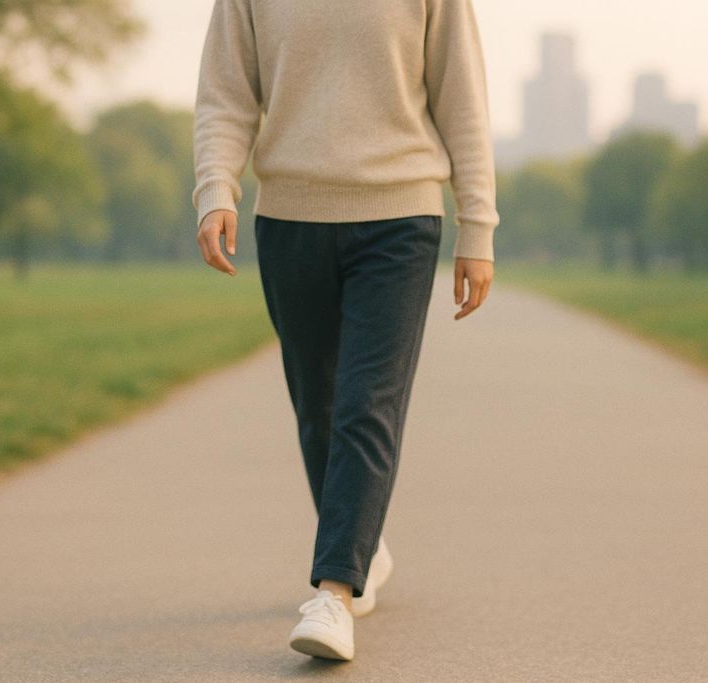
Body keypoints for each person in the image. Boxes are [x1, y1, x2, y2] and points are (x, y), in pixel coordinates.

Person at [191, 0, 499, 662]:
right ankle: (361, 541)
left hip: (400, 217)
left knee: (367, 404)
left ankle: (334, 591)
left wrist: (478, 224)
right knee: (319, 406)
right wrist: (216, 189)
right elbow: (225, 93)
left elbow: (462, 97)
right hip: (290, 219)